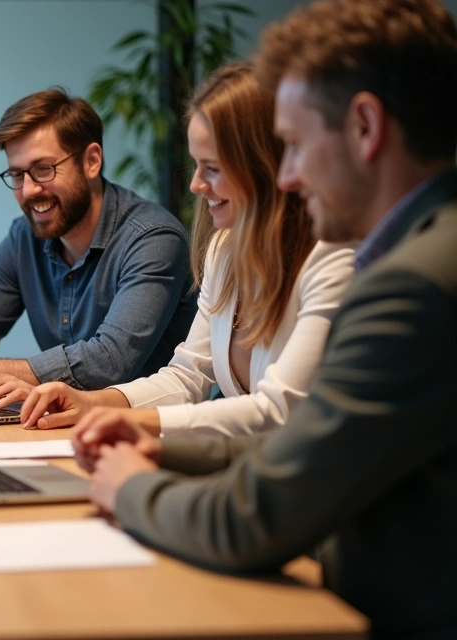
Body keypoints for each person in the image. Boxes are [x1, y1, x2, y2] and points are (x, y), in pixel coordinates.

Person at [71, 0, 457, 635]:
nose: (288, 175)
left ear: (365, 127)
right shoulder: (424, 255)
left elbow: (255, 518)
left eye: (297, 145)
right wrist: (163, 450)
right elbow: (310, 446)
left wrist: (133, 486)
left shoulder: (410, 289)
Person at [0, 65, 355, 437]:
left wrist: (121, 418)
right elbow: (187, 376)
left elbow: (278, 410)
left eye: (211, 168)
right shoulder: (225, 250)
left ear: (266, 165)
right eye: (196, 165)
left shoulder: (333, 258)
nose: (195, 185)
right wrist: (90, 403)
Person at [0, 89, 197, 390]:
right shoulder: (23, 239)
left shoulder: (152, 238)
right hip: (62, 425)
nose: (28, 190)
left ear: (92, 161)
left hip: (146, 429)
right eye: (17, 175)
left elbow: (111, 361)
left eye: (43, 169)